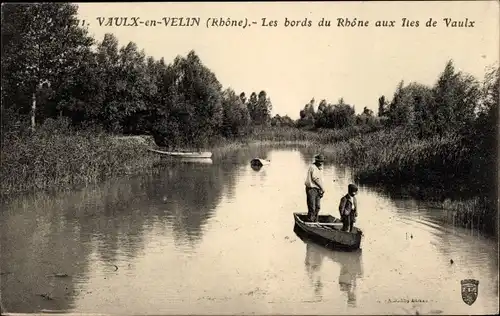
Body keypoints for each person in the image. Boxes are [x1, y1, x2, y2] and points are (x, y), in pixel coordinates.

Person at [304, 154, 326, 222]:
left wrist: (321, 189)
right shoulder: (313, 167)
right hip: (311, 189)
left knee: (318, 206)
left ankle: (315, 220)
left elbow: (320, 180)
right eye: (320, 161)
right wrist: (322, 188)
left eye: (322, 161)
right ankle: (310, 221)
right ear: (316, 161)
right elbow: (315, 179)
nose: (321, 163)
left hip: (318, 189)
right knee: (312, 207)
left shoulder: (320, 168)